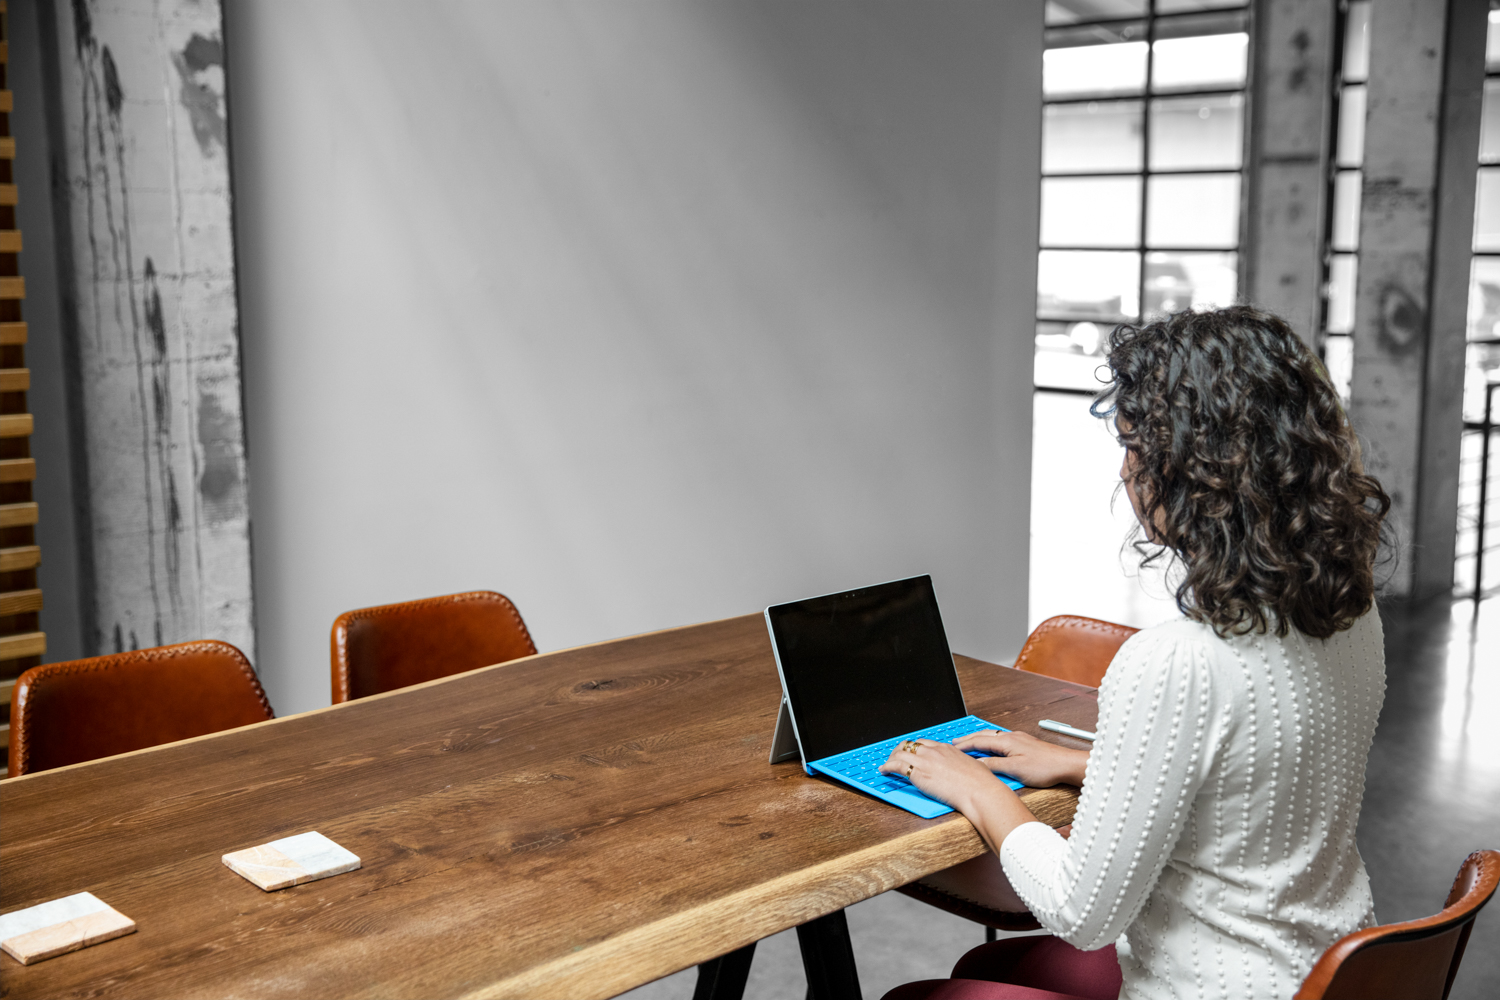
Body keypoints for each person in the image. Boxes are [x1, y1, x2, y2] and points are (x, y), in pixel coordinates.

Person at [879, 307, 1391, 1000]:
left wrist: (971, 787)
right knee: (988, 973)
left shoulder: (1176, 661)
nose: (1124, 472)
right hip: (1324, 974)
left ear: (1194, 471)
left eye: (1132, 447)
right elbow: (1258, 782)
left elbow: (1080, 913)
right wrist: (1090, 765)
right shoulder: (1354, 617)